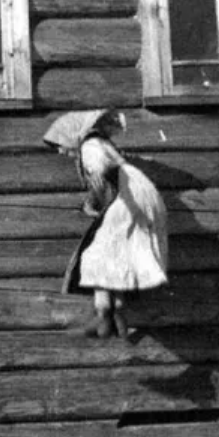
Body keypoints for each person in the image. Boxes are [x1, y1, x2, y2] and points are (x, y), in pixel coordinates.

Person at [43, 110, 169, 339]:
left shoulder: (90, 147)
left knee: (96, 255)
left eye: (60, 145)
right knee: (116, 255)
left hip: (129, 199)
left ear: (70, 136)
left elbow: (100, 173)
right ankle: (117, 314)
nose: (61, 151)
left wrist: (94, 203)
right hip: (140, 195)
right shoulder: (101, 143)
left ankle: (103, 315)